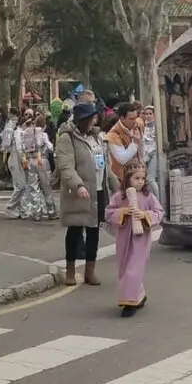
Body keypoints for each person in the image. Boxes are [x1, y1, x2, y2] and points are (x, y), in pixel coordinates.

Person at [55, 102, 117, 286]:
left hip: (97, 190)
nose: (94, 121)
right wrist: (78, 185)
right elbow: (65, 166)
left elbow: (106, 167)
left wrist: (118, 188)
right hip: (79, 192)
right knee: (74, 231)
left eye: (95, 117)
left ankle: (90, 270)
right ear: (82, 119)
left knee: (93, 232)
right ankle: (71, 270)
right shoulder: (67, 138)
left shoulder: (97, 137)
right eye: (90, 118)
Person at [104, 160, 163, 317]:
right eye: (136, 178)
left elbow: (159, 212)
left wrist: (145, 215)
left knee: (133, 269)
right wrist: (122, 212)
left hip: (140, 239)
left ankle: (128, 303)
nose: (140, 182)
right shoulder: (119, 197)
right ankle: (140, 295)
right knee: (125, 268)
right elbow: (109, 213)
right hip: (124, 238)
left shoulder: (147, 196)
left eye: (142, 179)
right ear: (128, 178)